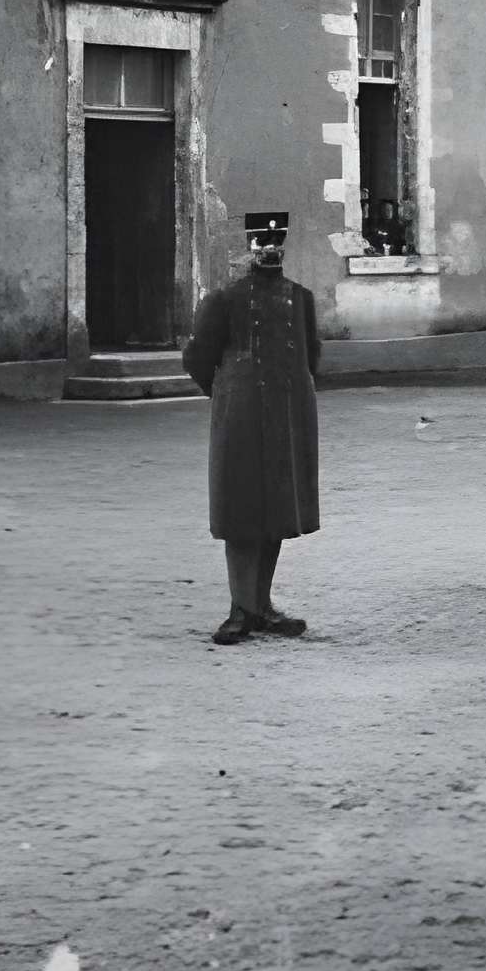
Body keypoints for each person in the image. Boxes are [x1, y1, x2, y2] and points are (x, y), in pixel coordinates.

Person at [182, 211, 325, 646]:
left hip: (288, 417)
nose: (268, 251)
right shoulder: (224, 299)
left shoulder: (300, 299)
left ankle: (262, 607)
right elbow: (196, 358)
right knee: (241, 511)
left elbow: (311, 357)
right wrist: (229, 394)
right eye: (260, 244)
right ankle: (239, 609)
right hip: (240, 421)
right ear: (248, 248)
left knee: (278, 512)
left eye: (275, 244)